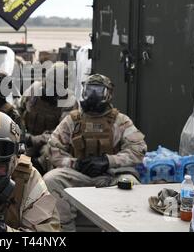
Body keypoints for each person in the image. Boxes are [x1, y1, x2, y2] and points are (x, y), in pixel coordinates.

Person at [42, 74, 147, 231]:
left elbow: (138, 149)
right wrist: (74, 163)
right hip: (79, 175)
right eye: (89, 91)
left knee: (132, 184)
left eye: (98, 91)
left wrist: (109, 161)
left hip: (109, 176)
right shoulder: (73, 120)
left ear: (108, 94)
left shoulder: (120, 121)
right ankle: (64, 230)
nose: (92, 96)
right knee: (51, 179)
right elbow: (53, 148)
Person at [19, 62, 78, 174]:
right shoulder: (34, 89)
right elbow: (18, 111)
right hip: (27, 138)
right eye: (49, 80)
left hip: (50, 143)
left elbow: (63, 134)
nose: (50, 85)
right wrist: (21, 134)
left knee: (49, 154)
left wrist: (36, 139)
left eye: (56, 83)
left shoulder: (69, 101)